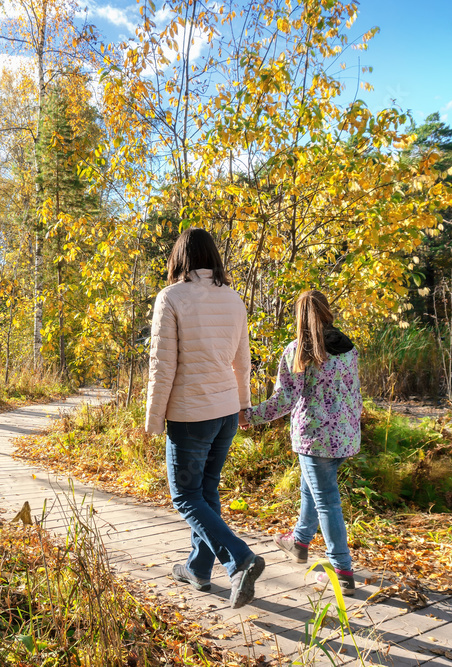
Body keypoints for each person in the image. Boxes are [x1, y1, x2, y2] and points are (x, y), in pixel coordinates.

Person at [145, 227, 264, 609]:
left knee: (185, 496)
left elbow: (162, 365)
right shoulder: (233, 298)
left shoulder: (171, 297)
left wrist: (154, 419)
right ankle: (198, 569)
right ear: (213, 256)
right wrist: (244, 406)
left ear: (178, 258)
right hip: (226, 411)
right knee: (206, 492)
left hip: (191, 414)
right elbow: (242, 361)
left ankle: (240, 559)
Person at [240, 290, 362, 593]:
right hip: (345, 436)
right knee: (312, 490)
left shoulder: (298, 351)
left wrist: (248, 416)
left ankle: (341, 570)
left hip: (314, 439)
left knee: (327, 502)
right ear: (326, 311)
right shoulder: (348, 348)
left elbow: (284, 400)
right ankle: (299, 542)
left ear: (300, 316)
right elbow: (355, 393)